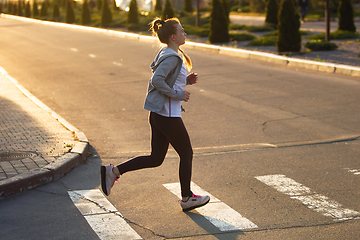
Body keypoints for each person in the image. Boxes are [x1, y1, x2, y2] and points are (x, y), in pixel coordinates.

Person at [100, 17, 210, 212]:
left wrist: (186, 82)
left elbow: (167, 79)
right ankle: (186, 198)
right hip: (168, 116)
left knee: (156, 159)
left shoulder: (168, 52)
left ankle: (114, 171)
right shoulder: (172, 57)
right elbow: (157, 80)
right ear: (174, 37)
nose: (185, 33)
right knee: (186, 153)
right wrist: (179, 94)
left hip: (160, 115)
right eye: (182, 31)